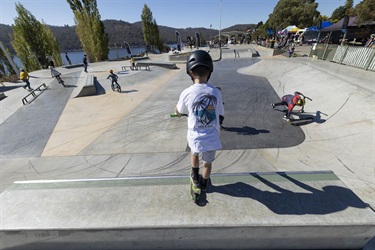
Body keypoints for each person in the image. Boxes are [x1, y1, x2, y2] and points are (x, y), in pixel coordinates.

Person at [175, 50, 224, 191]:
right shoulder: (216, 92)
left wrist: (177, 112)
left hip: (195, 137)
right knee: (207, 164)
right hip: (212, 138)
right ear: (209, 72)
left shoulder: (186, 92)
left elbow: (179, 111)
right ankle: (204, 183)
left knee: (194, 153)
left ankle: (195, 177)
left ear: (190, 73)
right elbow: (220, 113)